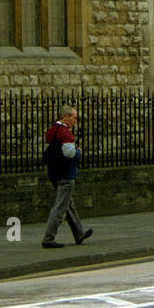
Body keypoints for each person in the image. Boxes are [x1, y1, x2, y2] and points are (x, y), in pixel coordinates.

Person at [42, 103, 93, 249]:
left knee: (69, 205)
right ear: (66, 117)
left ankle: (79, 233)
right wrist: (79, 152)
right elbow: (69, 153)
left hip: (54, 173)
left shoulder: (51, 131)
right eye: (74, 118)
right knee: (60, 207)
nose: (76, 121)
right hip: (66, 174)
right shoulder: (65, 133)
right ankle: (48, 238)